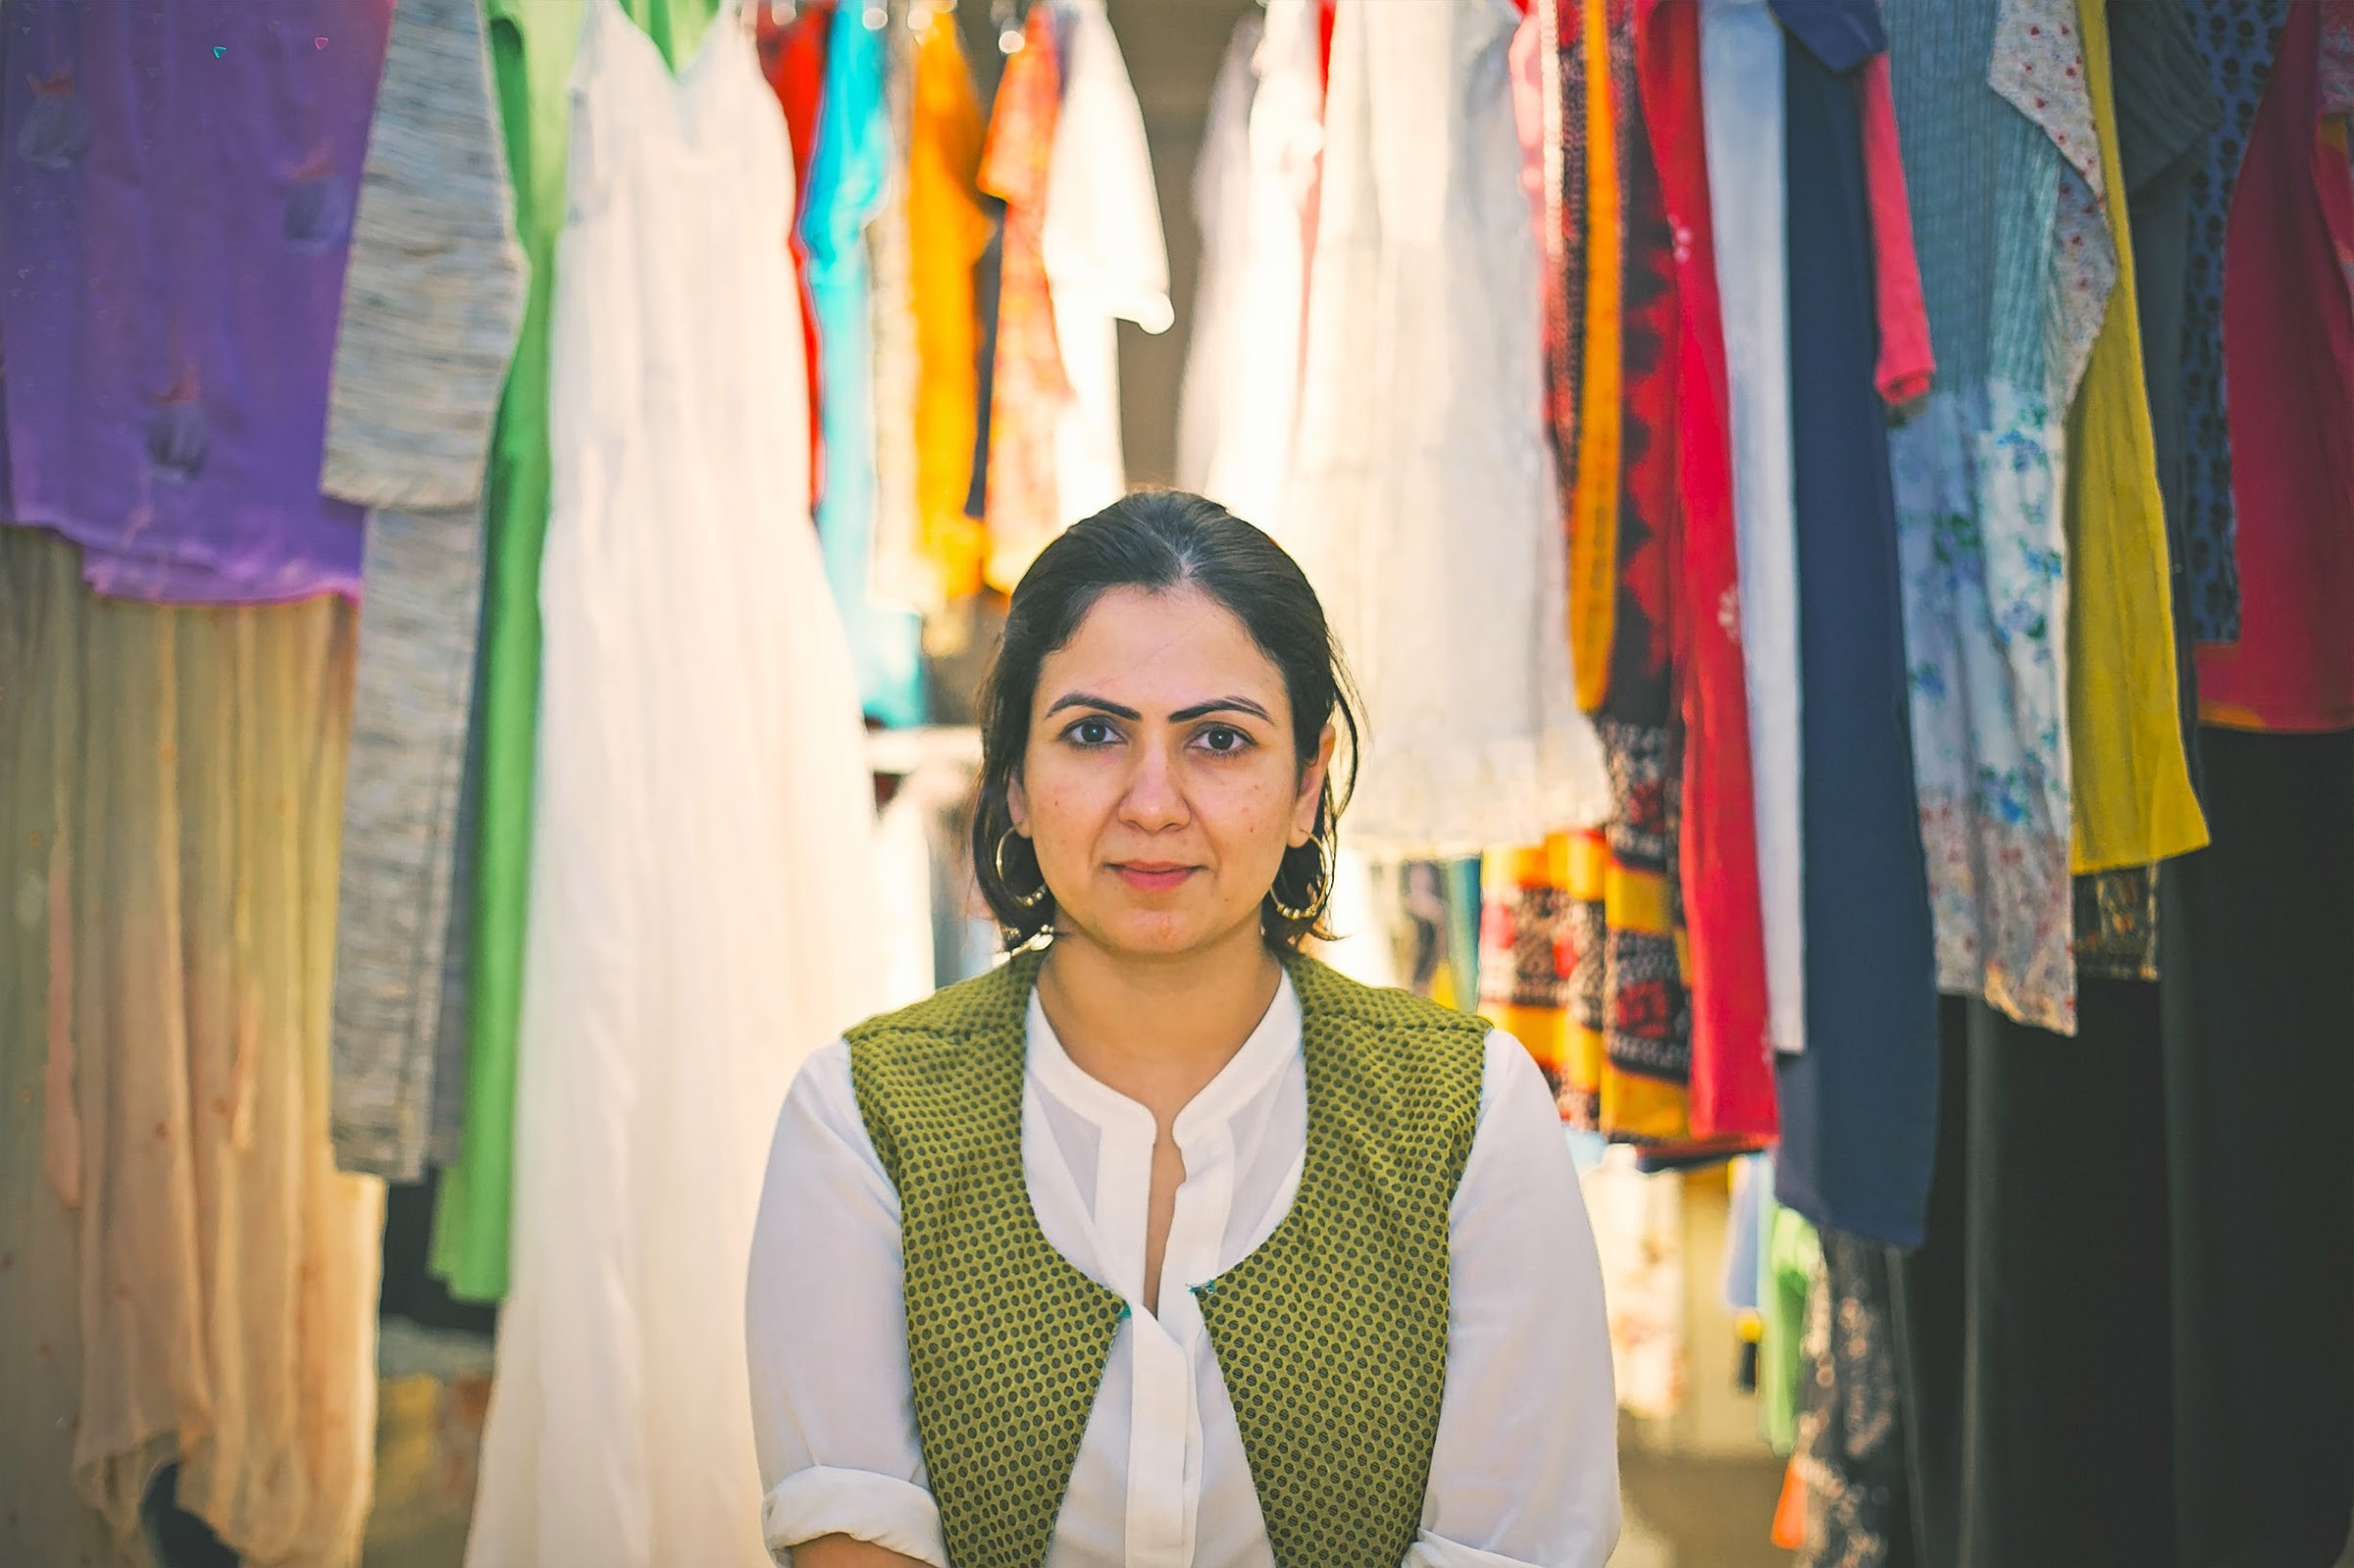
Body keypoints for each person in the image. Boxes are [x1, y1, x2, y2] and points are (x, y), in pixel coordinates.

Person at [744, 491, 1621, 1567]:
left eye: (1219, 739)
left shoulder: (1470, 1112)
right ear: (1014, 778)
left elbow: (1518, 1547)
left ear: (1308, 783)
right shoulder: (861, 1117)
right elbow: (851, 1540)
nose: (1153, 802)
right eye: (1095, 733)